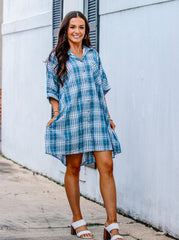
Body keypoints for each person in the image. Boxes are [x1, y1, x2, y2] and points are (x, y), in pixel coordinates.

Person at [45, 11, 123, 240]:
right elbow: (53, 89)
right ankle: (77, 220)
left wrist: (108, 116)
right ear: (65, 31)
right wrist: (56, 113)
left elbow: (101, 88)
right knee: (74, 167)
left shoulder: (92, 55)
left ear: (86, 31)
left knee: (106, 165)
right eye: (72, 27)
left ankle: (112, 223)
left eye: (81, 27)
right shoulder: (57, 57)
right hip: (72, 118)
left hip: (97, 117)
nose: (77, 31)